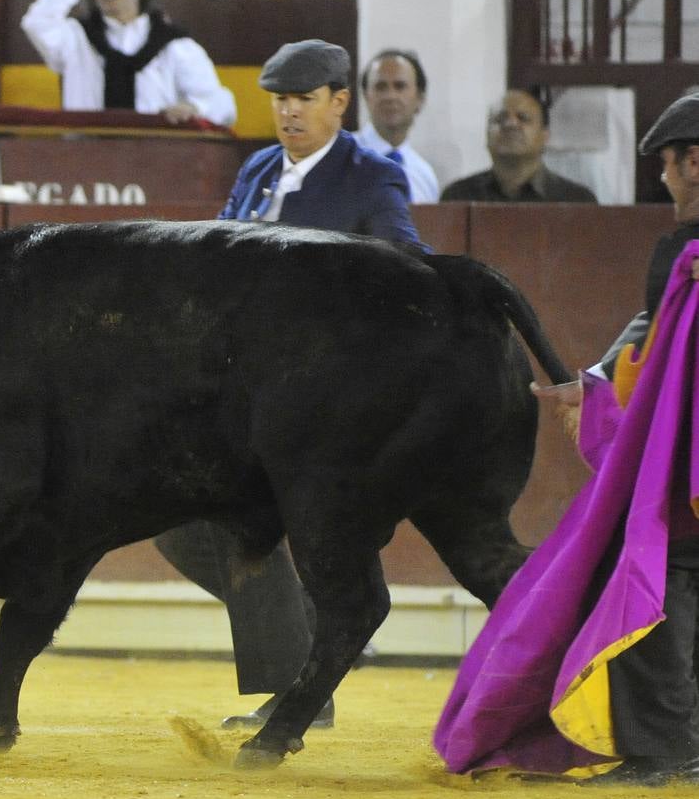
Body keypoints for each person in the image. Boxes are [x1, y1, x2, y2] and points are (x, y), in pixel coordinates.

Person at [153, 38, 424, 734]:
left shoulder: (372, 177)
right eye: (280, 99)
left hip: (322, 399)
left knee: (242, 525)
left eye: (304, 98)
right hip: (240, 395)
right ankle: (319, 646)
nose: (289, 112)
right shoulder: (258, 169)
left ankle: (299, 686)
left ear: (339, 101)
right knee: (178, 522)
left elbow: (406, 272)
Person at [527, 94, 699, 785]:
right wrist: (595, 378)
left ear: (695, 162)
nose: (662, 180)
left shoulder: (682, 250)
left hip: (686, 456)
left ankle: (668, 747)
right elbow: (659, 324)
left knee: (654, 572)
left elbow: (664, 337)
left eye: (667, 165)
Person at [21, 0, 236, 127]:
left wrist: (194, 108)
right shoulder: (76, 38)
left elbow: (224, 106)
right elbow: (36, 21)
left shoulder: (173, 45)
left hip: (157, 161)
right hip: (86, 161)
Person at [440, 89, 598, 203]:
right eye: (500, 118)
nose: (511, 124)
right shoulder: (458, 196)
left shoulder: (576, 200)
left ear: (545, 135)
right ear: (486, 136)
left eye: (523, 118)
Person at [355, 48, 439, 203]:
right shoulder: (340, 156)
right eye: (380, 86)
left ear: (420, 98)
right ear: (366, 96)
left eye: (400, 86)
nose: (390, 96)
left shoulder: (425, 175)